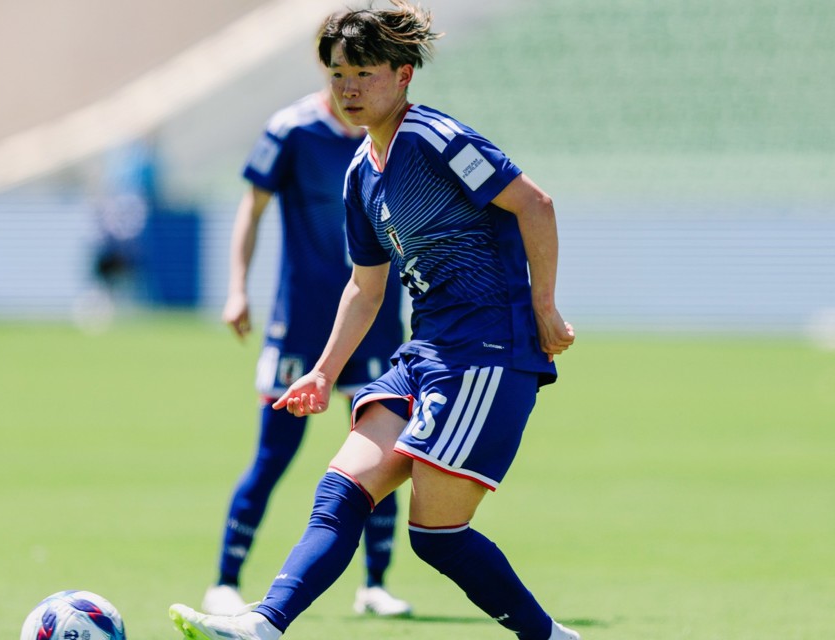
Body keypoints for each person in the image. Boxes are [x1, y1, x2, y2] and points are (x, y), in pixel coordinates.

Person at [171, 2, 579, 639]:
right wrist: (323, 371)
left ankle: (550, 637)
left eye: (364, 72)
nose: (349, 88)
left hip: (487, 356)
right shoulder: (361, 173)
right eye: (338, 74)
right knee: (340, 492)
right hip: (425, 355)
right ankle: (263, 625)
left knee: (436, 537)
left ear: (404, 74)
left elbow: (535, 203)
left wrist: (544, 306)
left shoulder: (436, 140)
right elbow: (365, 287)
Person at [203, 84, 412, 616]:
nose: (353, 82)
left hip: (376, 323)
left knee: (383, 454)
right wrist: (236, 287)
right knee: (274, 455)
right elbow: (252, 208)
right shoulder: (290, 130)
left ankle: (375, 584)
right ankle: (225, 580)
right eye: (344, 67)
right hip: (298, 322)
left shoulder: (398, 134)